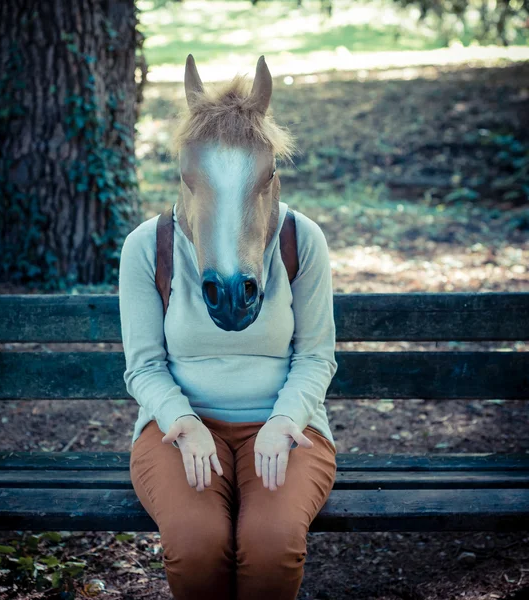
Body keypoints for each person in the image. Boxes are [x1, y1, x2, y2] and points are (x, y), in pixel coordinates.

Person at [119, 55, 338, 600]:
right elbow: (143, 367)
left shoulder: (300, 240)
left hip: (288, 427)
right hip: (177, 432)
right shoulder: (148, 247)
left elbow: (316, 356)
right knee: (195, 544)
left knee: (271, 543)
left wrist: (285, 419)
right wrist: (182, 422)